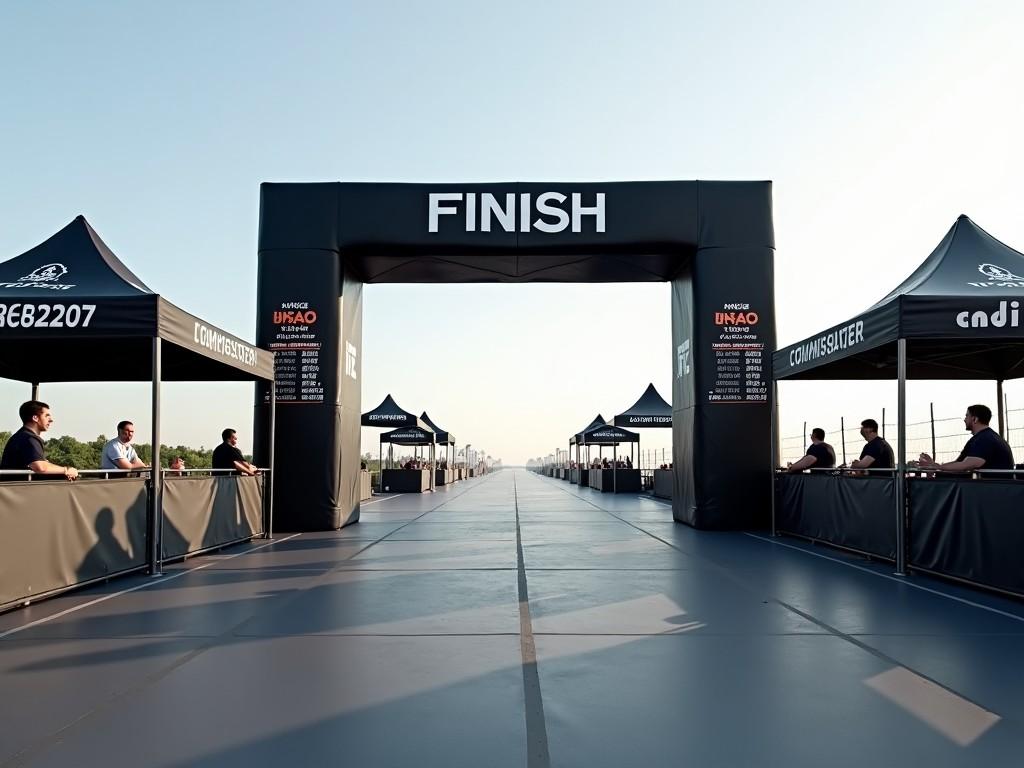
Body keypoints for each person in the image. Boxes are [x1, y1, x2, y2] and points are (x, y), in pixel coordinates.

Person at [918, 404, 1014, 475]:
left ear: (975, 419)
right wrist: (934, 466)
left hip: (995, 491)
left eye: (967, 416)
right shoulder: (982, 438)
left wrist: (936, 467)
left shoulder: (985, 439)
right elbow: (959, 463)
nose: (964, 419)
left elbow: (967, 465)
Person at [0, 400, 78, 480]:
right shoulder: (28, 438)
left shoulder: (22, 436)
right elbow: (40, 467)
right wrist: (66, 470)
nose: (51, 420)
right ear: (35, 418)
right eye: (46, 416)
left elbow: (41, 464)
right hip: (19, 490)